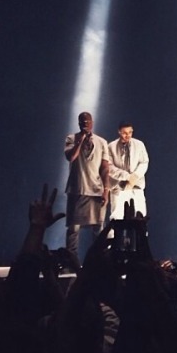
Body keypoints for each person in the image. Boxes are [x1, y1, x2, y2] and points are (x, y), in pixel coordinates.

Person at [64, 112, 110, 265]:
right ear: (78, 123)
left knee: (98, 228)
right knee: (73, 229)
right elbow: (71, 157)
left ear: (92, 123)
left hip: (96, 189)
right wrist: (81, 139)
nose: (85, 123)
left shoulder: (102, 142)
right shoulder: (71, 138)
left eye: (88, 121)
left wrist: (106, 190)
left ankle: (98, 263)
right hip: (77, 188)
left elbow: (104, 168)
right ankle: (72, 263)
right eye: (82, 121)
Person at [108, 121, 149, 219]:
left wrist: (135, 176)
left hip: (136, 186)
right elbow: (109, 167)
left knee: (140, 218)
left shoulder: (139, 144)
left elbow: (144, 162)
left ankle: (141, 234)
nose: (128, 135)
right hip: (118, 187)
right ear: (119, 132)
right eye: (125, 133)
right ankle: (114, 235)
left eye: (130, 132)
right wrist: (126, 176)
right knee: (116, 218)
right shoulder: (111, 146)